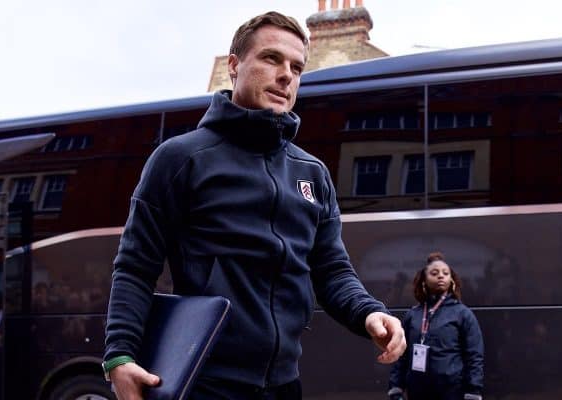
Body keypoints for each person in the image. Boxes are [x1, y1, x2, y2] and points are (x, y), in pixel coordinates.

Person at [103, 11, 406, 400]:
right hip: (205, 383)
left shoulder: (312, 173)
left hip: (283, 385)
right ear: (234, 65)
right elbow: (134, 267)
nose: (286, 76)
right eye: (271, 59)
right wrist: (119, 357)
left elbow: (331, 269)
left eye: (297, 68)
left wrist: (368, 312)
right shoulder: (180, 159)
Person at [388, 252, 484, 400]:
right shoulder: (412, 315)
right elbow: (401, 354)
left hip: (452, 391)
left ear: (451, 280)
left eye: (446, 273)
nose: (441, 276)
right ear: (424, 281)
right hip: (418, 390)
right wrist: (396, 387)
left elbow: (474, 356)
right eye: (434, 273)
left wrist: (473, 391)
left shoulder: (463, 314)